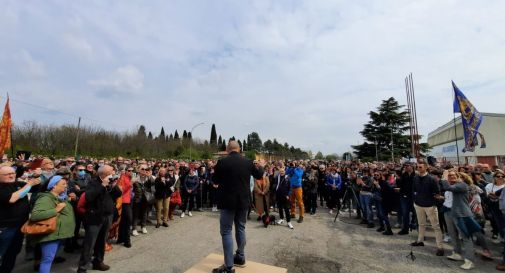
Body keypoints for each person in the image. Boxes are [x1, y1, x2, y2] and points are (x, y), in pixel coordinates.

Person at [211, 141, 264, 273]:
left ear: (227, 149)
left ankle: (229, 267)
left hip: (228, 202)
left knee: (226, 231)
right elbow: (259, 175)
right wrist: (262, 166)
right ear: (239, 149)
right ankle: (240, 256)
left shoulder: (222, 162)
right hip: (243, 202)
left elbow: (215, 181)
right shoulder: (248, 162)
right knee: (241, 227)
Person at [77, 165, 122, 273]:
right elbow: (89, 197)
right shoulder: (93, 182)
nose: (113, 174)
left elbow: (118, 194)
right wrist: (102, 185)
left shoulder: (111, 182)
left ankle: (98, 261)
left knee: (102, 240)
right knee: (90, 242)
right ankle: (83, 266)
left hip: (108, 215)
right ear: (104, 174)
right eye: (111, 172)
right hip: (95, 217)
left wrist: (114, 186)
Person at [30, 175, 76, 273]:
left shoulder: (59, 197)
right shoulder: (45, 198)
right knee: (47, 260)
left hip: (57, 234)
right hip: (51, 235)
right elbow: (35, 215)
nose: (66, 186)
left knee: (49, 258)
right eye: (63, 184)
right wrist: (56, 209)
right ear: (54, 186)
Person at [0, 165, 40, 273]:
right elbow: (12, 198)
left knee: (13, 252)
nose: (12, 175)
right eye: (7, 174)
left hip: (21, 226)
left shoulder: (18, 184)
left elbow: (37, 186)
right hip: (6, 228)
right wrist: (29, 185)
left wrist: (38, 177)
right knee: (2, 253)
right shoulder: (1, 187)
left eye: (12, 173)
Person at [410, 160, 444, 256]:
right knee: (421, 224)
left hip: (430, 206)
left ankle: (440, 247)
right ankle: (420, 240)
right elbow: (413, 190)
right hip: (418, 204)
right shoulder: (415, 178)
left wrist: (433, 203)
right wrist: (415, 200)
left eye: (420, 167)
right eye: (417, 167)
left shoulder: (432, 179)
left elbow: (437, 192)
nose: (418, 168)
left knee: (436, 227)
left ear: (426, 167)